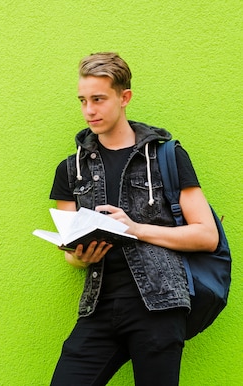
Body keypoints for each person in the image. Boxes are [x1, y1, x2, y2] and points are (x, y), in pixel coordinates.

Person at [48, 52, 218, 386]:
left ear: (124, 97)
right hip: (98, 307)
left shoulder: (166, 156)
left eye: (98, 99)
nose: (89, 111)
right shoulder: (70, 169)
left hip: (159, 306)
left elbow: (206, 235)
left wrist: (136, 229)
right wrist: (79, 257)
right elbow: (69, 249)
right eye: (82, 100)